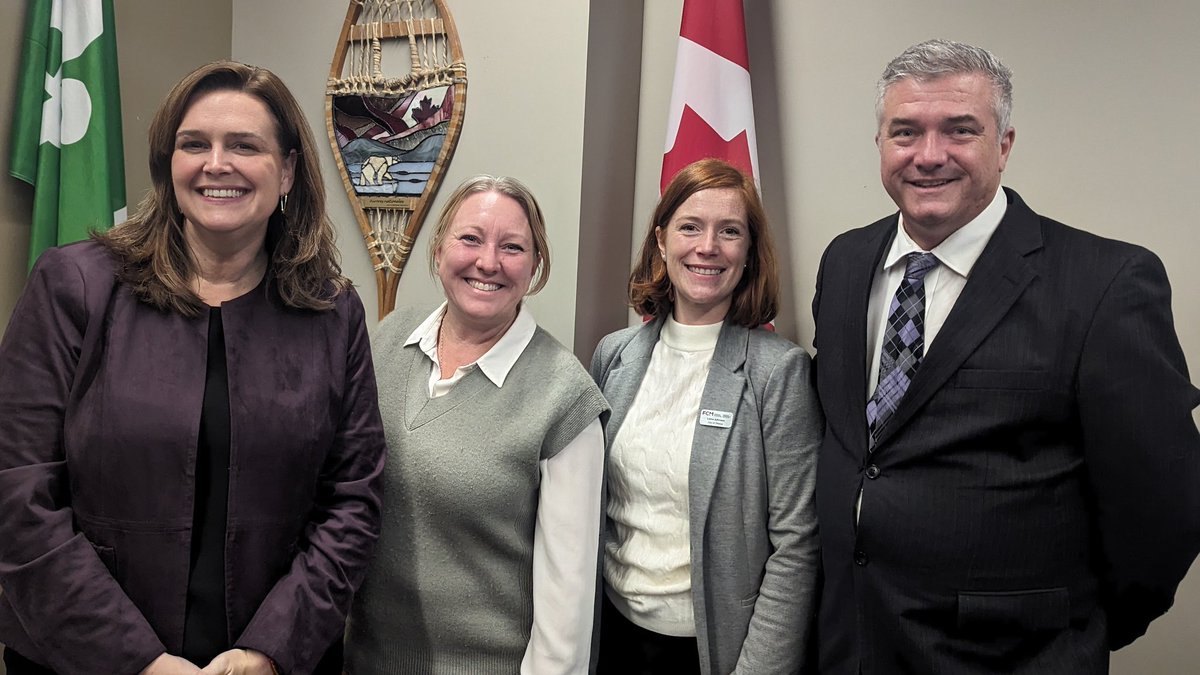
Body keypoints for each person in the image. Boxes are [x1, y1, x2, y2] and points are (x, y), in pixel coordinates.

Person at [811, 38, 1200, 674]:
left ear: (1005, 145)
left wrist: (1080, 628)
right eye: (905, 131)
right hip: (849, 643)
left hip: (1011, 657)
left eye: (960, 130)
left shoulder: (1104, 282)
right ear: (880, 143)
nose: (929, 155)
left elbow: (1164, 508)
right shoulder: (847, 262)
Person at [0, 61, 387, 674]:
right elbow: (18, 494)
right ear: (168, 163)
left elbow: (353, 500)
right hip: (81, 655)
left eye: (244, 146)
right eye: (193, 144)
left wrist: (271, 650)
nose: (216, 164)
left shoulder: (331, 312)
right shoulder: (74, 285)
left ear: (286, 170)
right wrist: (140, 662)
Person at [344, 175, 609, 675]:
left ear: (535, 267)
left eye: (513, 247)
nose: (489, 262)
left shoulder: (563, 396)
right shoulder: (387, 340)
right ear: (439, 247)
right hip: (363, 659)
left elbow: (565, 610)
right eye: (470, 239)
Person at [590, 158, 821, 674]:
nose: (707, 247)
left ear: (749, 253)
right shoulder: (614, 355)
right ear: (661, 239)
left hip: (715, 651)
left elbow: (797, 546)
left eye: (729, 231)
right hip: (614, 634)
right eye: (690, 226)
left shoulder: (777, 374)